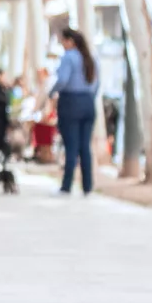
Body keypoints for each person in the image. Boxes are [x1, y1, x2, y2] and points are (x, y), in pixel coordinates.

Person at [49, 27, 100, 194]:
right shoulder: (91, 58)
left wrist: (51, 92)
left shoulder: (68, 57)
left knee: (71, 146)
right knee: (85, 146)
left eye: (63, 41)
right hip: (88, 103)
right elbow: (97, 84)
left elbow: (62, 80)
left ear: (70, 41)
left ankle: (67, 185)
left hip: (71, 102)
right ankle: (87, 186)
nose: (62, 45)